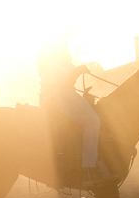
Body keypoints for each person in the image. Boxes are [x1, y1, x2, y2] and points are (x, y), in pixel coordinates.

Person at [37, 44, 103, 186]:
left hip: (54, 93)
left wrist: (76, 72)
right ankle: (88, 169)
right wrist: (78, 70)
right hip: (60, 94)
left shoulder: (48, 44)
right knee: (92, 120)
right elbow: (59, 75)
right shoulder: (55, 45)